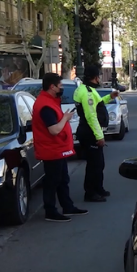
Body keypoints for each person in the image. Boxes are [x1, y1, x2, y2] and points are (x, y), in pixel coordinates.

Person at [32, 73, 88, 221]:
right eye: (60, 85)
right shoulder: (45, 105)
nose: (61, 88)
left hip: (58, 149)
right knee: (53, 181)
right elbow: (54, 130)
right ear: (52, 87)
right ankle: (50, 211)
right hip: (51, 150)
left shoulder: (50, 102)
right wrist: (65, 118)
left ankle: (67, 206)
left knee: (63, 179)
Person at [73, 65, 119, 202]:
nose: (99, 78)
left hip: (87, 130)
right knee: (94, 164)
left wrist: (109, 97)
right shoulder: (87, 92)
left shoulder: (87, 90)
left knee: (99, 163)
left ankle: (98, 188)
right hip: (89, 132)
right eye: (98, 76)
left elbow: (97, 104)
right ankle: (90, 193)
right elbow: (91, 116)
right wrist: (99, 136)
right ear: (95, 77)